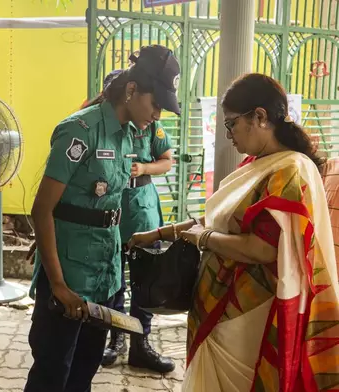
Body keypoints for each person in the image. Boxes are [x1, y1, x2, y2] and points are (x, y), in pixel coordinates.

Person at [129, 73, 339, 391]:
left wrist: (201, 239)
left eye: (231, 124)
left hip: (249, 311)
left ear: (260, 116)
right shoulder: (256, 163)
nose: (228, 134)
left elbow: (264, 249)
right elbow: (219, 219)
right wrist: (161, 234)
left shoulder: (289, 171)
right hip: (221, 304)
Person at [24, 44, 181, 392]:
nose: (157, 115)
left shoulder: (129, 135)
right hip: (70, 277)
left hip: (104, 276)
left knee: (85, 367)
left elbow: (104, 203)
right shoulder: (79, 130)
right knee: (52, 371)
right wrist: (59, 285)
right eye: (155, 104)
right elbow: (43, 208)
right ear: (130, 90)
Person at [99, 67, 175, 373]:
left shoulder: (151, 125)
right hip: (112, 209)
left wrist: (144, 170)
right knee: (114, 279)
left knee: (145, 280)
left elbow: (167, 161)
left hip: (142, 208)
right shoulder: (104, 127)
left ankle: (141, 344)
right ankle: (116, 338)